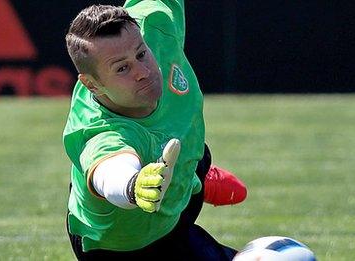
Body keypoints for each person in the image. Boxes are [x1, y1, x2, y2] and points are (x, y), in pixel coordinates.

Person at [63, 0, 247, 259]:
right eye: (122, 68)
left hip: (175, 209)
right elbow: (109, 170)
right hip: (120, 245)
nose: (143, 71)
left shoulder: (152, 23)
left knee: (181, 151)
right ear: (92, 85)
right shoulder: (98, 130)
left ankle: (195, 178)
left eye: (141, 54)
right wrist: (133, 185)